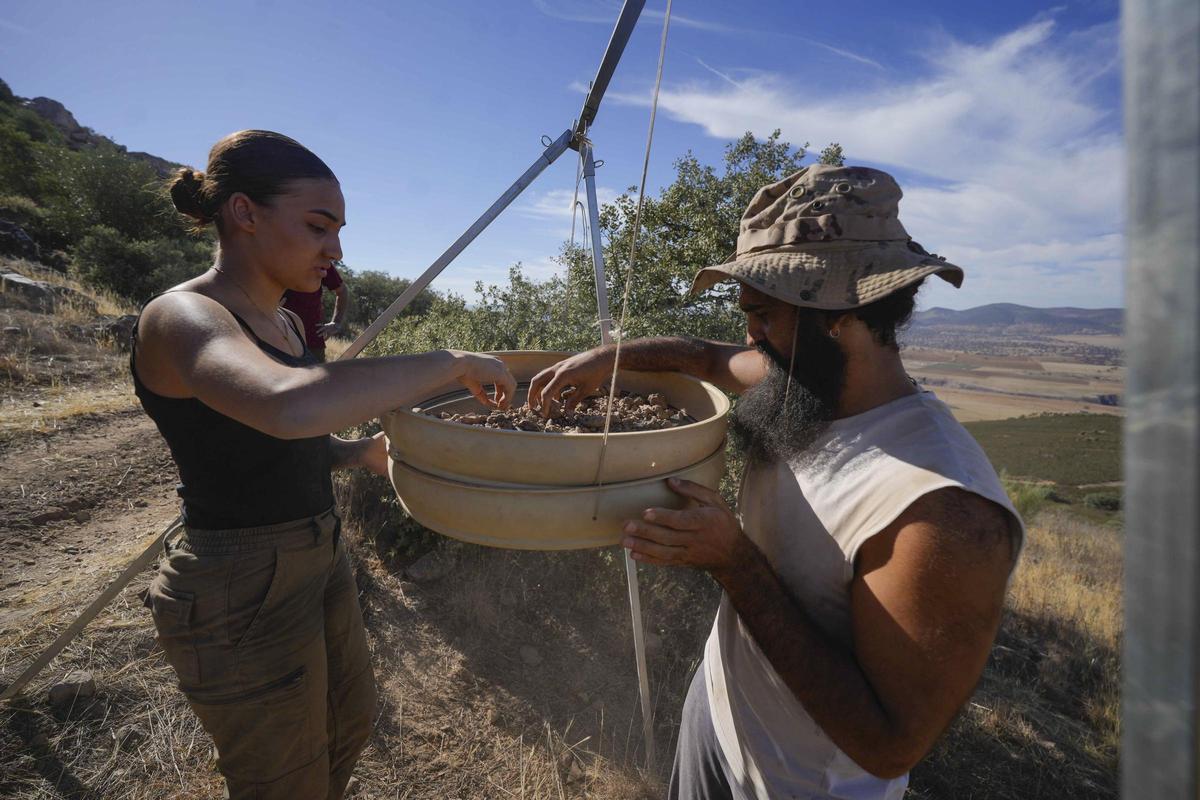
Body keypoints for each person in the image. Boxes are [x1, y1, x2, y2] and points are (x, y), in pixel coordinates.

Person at [528, 164, 1024, 800]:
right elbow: (705, 358)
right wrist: (607, 360)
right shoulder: (800, 378)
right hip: (717, 718)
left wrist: (735, 562)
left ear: (840, 312)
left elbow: (889, 744)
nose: (748, 335)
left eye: (761, 313)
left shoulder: (944, 513)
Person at [133, 129, 515, 800]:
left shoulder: (285, 323)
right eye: (318, 226)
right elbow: (287, 407)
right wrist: (449, 363)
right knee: (284, 781)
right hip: (236, 577)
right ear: (244, 213)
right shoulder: (184, 317)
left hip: (317, 551)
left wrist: (354, 453)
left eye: (338, 229)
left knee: (349, 726)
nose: (335, 249)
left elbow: (277, 440)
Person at [283, 259, 350, 362]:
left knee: (318, 377)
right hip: (278, 339)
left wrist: (336, 322)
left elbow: (342, 291)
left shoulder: (318, 260)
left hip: (312, 342)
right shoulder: (274, 258)